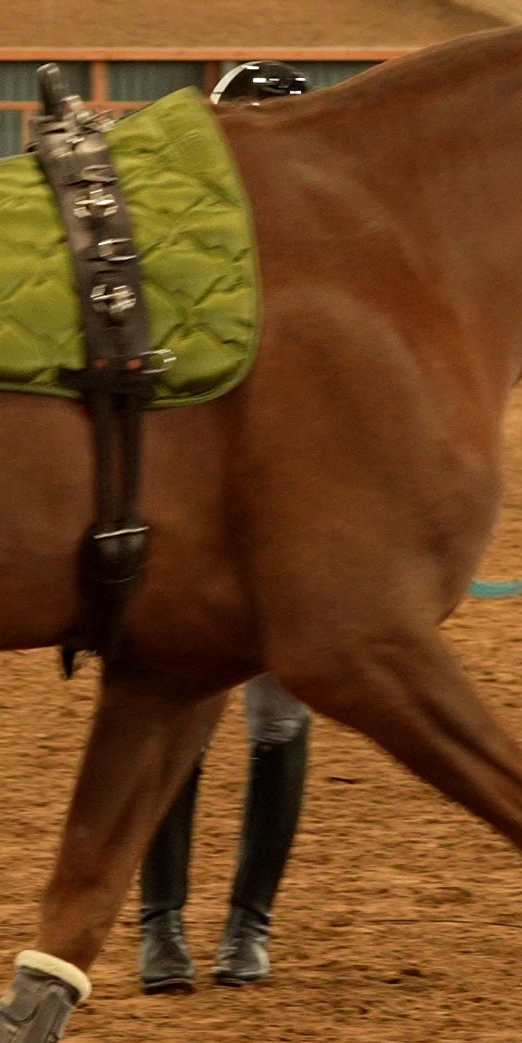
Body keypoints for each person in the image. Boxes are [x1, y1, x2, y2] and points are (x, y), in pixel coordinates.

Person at [137, 60, 320, 993]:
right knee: (175, 707)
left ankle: (249, 923)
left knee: (277, 717)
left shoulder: (331, 255)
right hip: (192, 502)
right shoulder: (175, 238)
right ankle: (160, 922)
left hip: (291, 506)